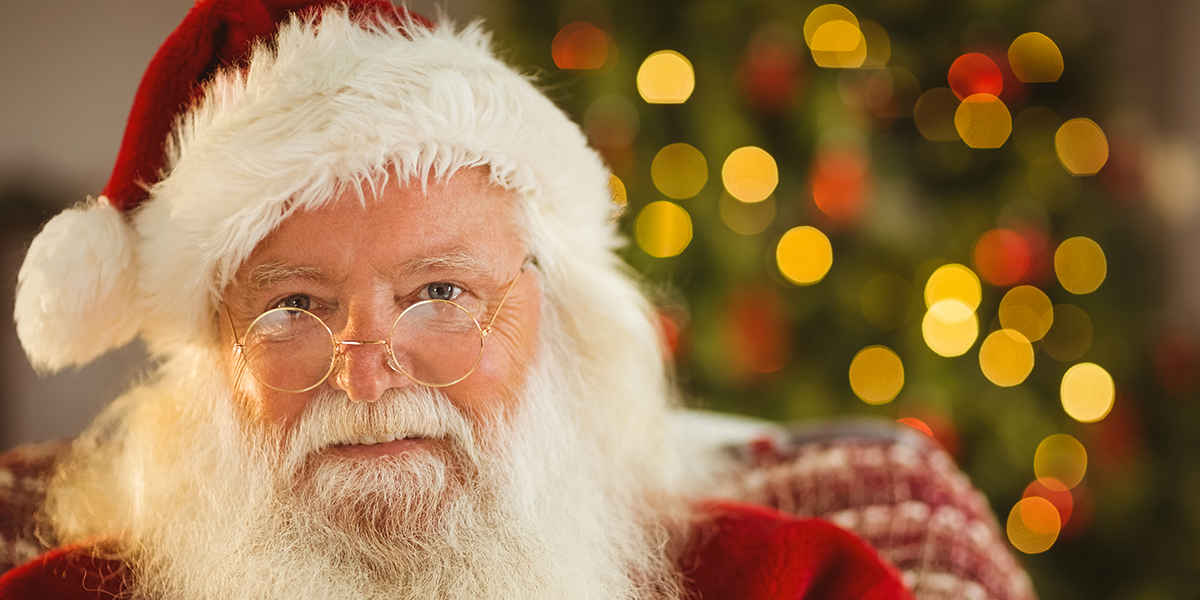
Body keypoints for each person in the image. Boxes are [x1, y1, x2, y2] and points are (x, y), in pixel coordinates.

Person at [0, 1, 913, 598]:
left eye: (441, 291)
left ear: (558, 321)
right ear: (212, 356)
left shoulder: (795, 586)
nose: (366, 380)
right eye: (295, 306)